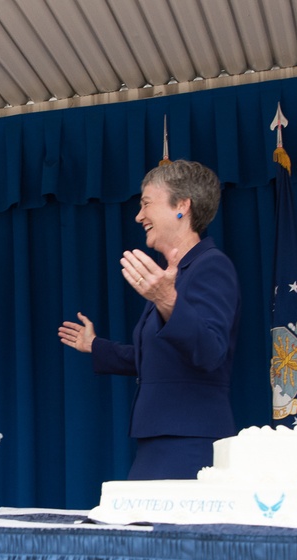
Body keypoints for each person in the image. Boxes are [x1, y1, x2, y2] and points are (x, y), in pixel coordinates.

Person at [58, 160, 240, 480]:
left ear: (182, 206)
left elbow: (211, 351)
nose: (138, 216)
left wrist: (167, 300)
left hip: (189, 440)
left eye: (146, 203)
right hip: (160, 437)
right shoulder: (171, 277)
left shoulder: (211, 266)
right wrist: (96, 346)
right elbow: (158, 358)